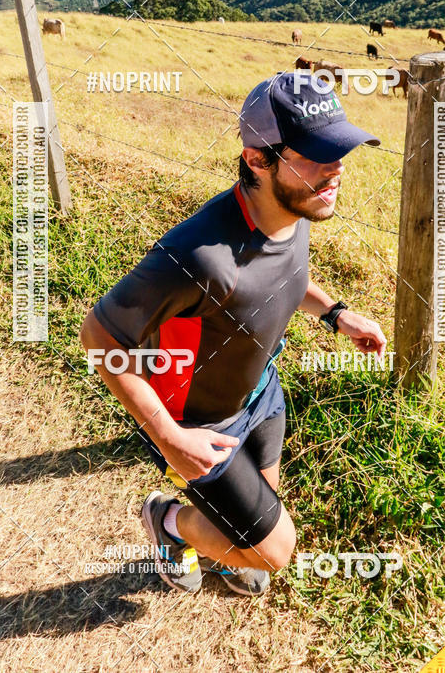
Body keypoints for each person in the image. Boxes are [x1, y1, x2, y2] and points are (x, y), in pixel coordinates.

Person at [80, 71, 387, 596]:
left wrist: (336, 314)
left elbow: (284, 274)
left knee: (250, 525)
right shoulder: (201, 258)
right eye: (315, 154)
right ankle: (169, 523)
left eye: (339, 150)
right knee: (274, 552)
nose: (335, 170)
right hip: (201, 423)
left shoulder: (298, 204)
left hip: (264, 394)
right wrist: (170, 437)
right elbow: (98, 337)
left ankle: (223, 554)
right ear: (257, 159)